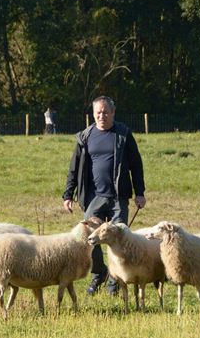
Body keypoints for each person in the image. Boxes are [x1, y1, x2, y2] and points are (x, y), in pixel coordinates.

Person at [62, 96, 146, 296]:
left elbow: (136, 164)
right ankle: (99, 272)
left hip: (119, 197)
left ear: (113, 113)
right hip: (93, 197)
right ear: (93, 114)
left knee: (119, 239)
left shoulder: (123, 134)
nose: (102, 115)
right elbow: (74, 167)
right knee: (91, 239)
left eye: (105, 112)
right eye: (98, 112)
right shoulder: (85, 136)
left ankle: (116, 279)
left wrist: (140, 192)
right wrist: (68, 194)